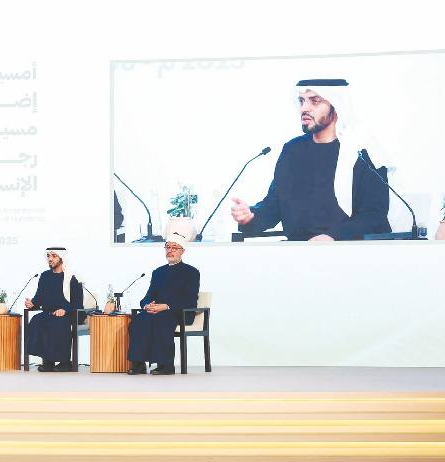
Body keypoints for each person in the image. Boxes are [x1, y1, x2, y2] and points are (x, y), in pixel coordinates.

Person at [231, 79, 391, 241]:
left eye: (315, 101)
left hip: (350, 249)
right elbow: (275, 205)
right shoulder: (293, 150)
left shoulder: (362, 151)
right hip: (299, 251)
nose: (304, 108)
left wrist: (333, 237)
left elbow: (374, 216)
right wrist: (251, 216)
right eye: (302, 101)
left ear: (337, 105)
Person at [127, 219, 200, 375]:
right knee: (138, 321)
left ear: (182, 251)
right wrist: (147, 305)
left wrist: (166, 306)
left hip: (180, 312)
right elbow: (148, 296)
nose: (170, 251)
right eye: (168, 247)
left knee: (162, 320)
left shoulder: (191, 272)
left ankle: (166, 365)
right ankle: (138, 363)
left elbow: (189, 299)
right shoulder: (158, 272)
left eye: (175, 248)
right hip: (157, 311)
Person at [24, 247, 83, 372]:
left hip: (68, 314)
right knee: (37, 320)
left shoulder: (73, 277)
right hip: (48, 313)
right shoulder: (45, 276)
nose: (50, 259)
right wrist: (32, 303)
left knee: (58, 323)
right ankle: (48, 362)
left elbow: (78, 303)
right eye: (48, 256)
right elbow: (39, 297)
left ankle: (65, 362)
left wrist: (65, 310)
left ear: (62, 258)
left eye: (54, 256)